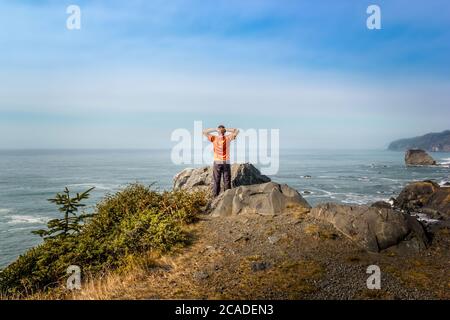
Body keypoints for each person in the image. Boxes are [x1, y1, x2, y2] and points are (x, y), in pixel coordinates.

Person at [203, 125, 240, 197]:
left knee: (216, 180)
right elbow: (237, 130)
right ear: (224, 132)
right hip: (226, 161)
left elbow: (204, 132)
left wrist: (215, 129)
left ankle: (215, 196)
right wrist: (225, 129)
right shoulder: (228, 137)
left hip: (217, 161)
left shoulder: (214, 138)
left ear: (218, 131)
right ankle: (227, 196)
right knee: (227, 180)